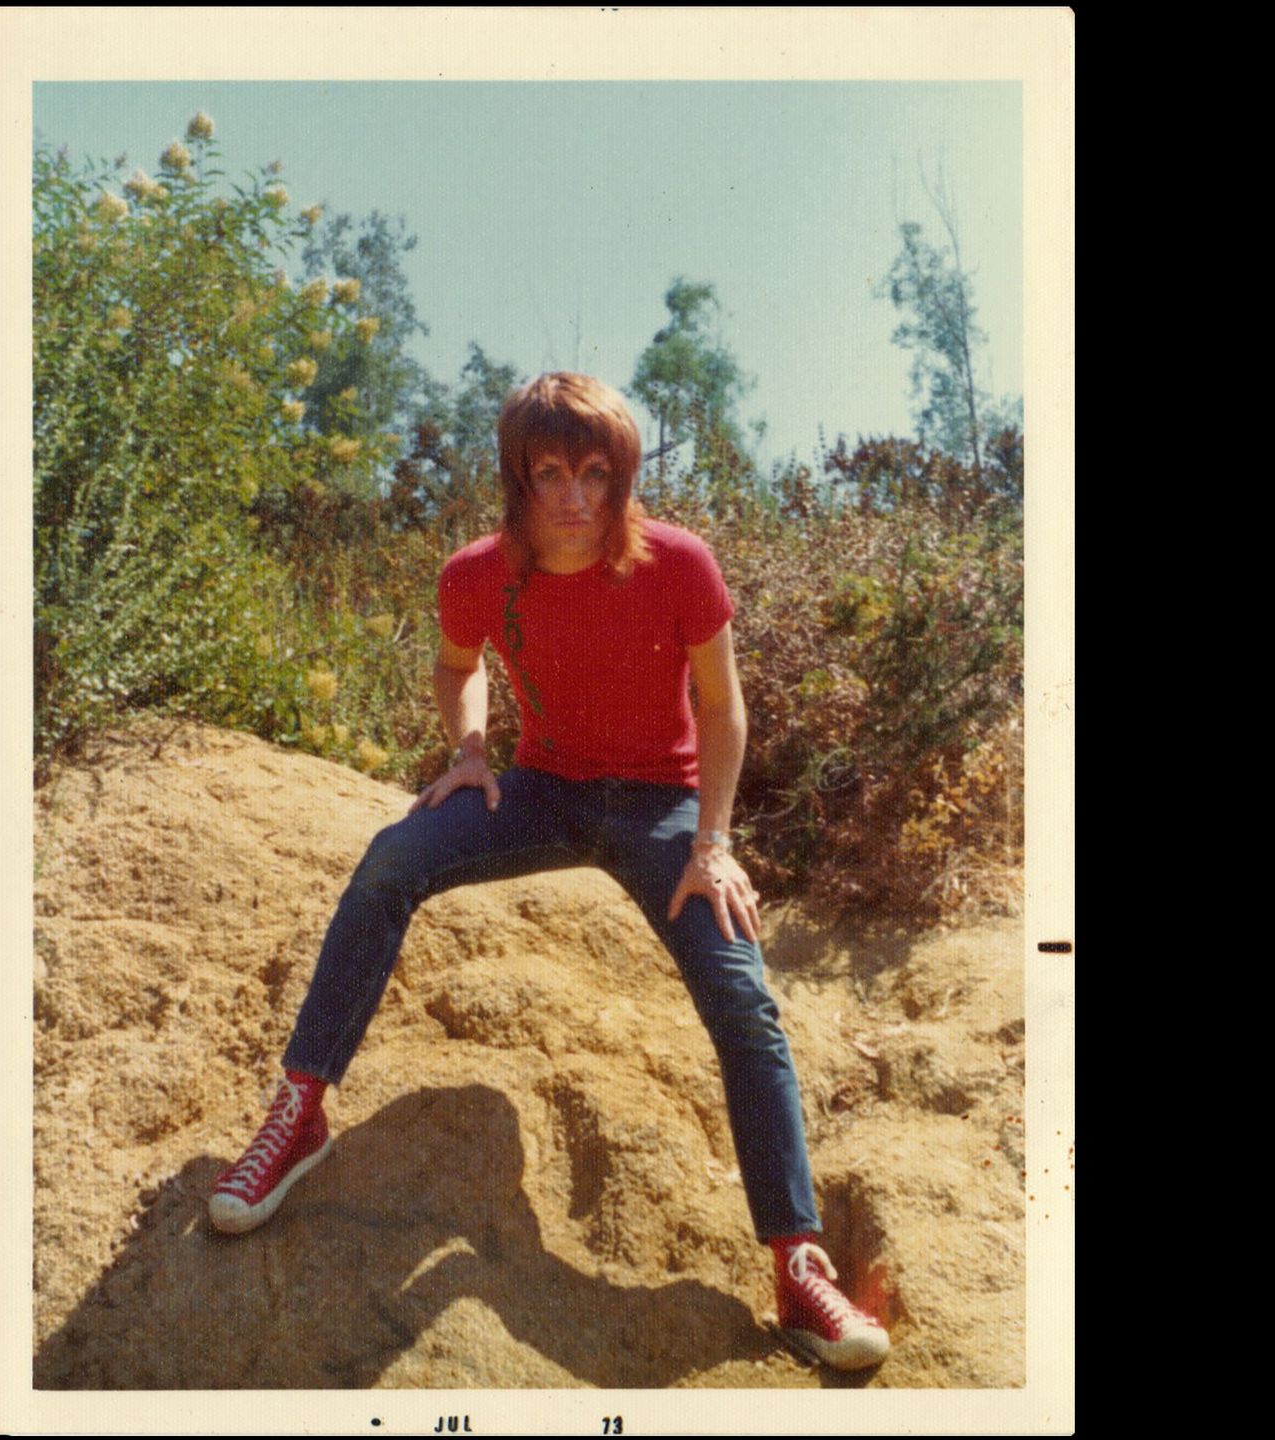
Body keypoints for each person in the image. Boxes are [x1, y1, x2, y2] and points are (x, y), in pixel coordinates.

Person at [209, 373, 890, 1370]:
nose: (575, 497)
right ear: (518, 480)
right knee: (391, 859)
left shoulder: (679, 564)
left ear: (622, 477)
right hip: (540, 790)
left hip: (661, 809)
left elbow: (722, 707)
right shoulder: (476, 574)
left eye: (595, 473)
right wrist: (470, 750)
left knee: (742, 996)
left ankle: (796, 1264)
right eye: (551, 474)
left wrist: (712, 842)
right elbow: (457, 664)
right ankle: (300, 1113)